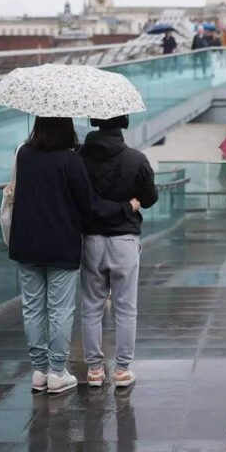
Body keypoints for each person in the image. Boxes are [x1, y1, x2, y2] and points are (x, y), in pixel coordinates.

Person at [8, 116, 141, 396]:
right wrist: (127, 207)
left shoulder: (23, 153)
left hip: (25, 243)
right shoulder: (70, 161)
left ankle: (39, 371)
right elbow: (92, 206)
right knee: (59, 310)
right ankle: (57, 371)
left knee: (32, 309)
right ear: (65, 127)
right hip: (61, 245)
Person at [78, 114, 159, 389]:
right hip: (124, 239)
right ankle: (122, 370)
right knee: (126, 307)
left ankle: (94, 371)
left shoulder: (79, 157)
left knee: (91, 306)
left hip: (91, 240)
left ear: (94, 122)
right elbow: (150, 198)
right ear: (123, 123)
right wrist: (132, 202)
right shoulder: (136, 159)